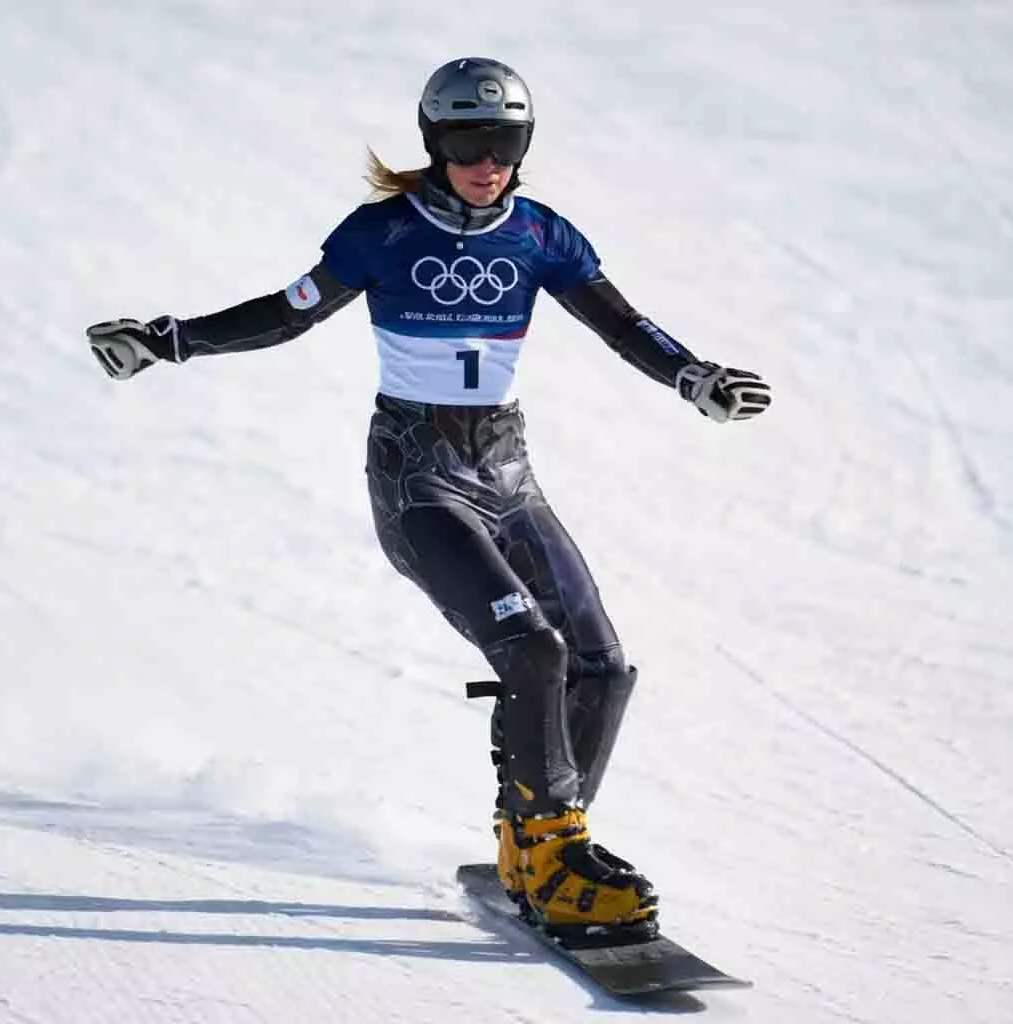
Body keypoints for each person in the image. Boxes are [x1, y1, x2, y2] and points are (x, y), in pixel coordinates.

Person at [86, 57, 772, 939]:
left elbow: (618, 321)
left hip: (507, 473)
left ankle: (541, 844)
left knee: (601, 664)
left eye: (506, 143)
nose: (487, 162)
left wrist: (693, 377)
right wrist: (169, 340)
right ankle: (552, 856)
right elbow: (290, 311)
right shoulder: (385, 233)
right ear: (433, 143)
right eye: (465, 142)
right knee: (531, 650)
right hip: (419, 479)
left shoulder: (540, 234)